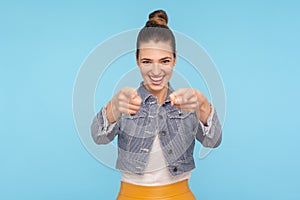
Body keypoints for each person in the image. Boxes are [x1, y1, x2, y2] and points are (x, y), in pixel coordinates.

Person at [91, 9, 222, 200]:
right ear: (137, 60)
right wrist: (113, 107)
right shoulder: (125, 101)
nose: (156, 71)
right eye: (147, 61)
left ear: (175, 59)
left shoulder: (187, 101)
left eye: (164, 61)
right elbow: (98, 137)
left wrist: (202, 105)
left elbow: (213, 141)